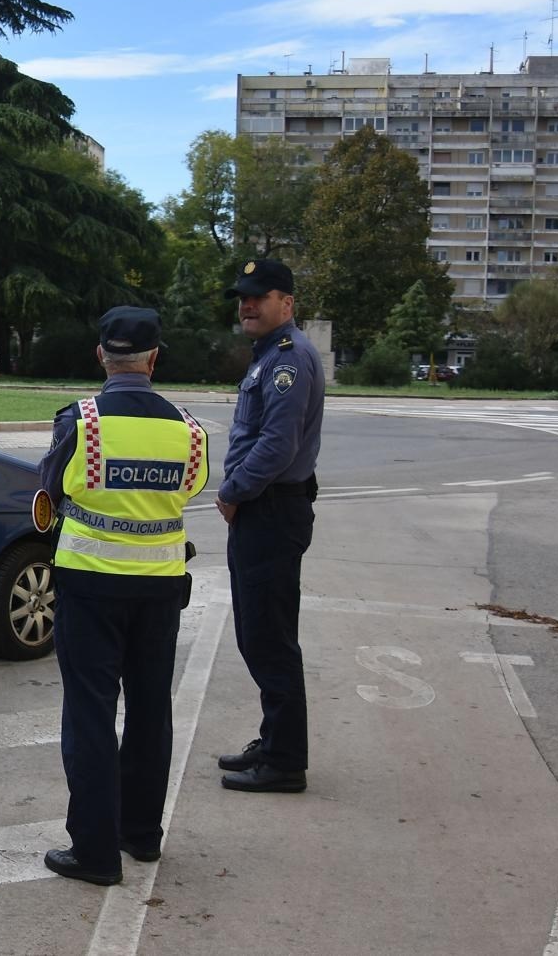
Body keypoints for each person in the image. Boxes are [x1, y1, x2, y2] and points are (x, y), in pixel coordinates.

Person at [37, 306, 210, 886]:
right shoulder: (188, 430)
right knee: (150, 708)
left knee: (89, 713)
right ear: (155, 358)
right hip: (160, 590)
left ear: (100, 355)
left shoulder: (81, 422)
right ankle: (141, 835)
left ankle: (94, 851)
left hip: (88, 585)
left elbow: (51, 485)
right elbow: (192, 489)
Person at [213, 258, 325, 793]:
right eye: (243, 297)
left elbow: (277, 445)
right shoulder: (271, 356)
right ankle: (275, 738)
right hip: (267, 508)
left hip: (271, 509)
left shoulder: (289, 360)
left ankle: (284, 762)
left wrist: (234, 493)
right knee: (259, 632)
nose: (248, 305)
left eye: (260, 296)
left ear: (288, 303)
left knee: (270, 637)